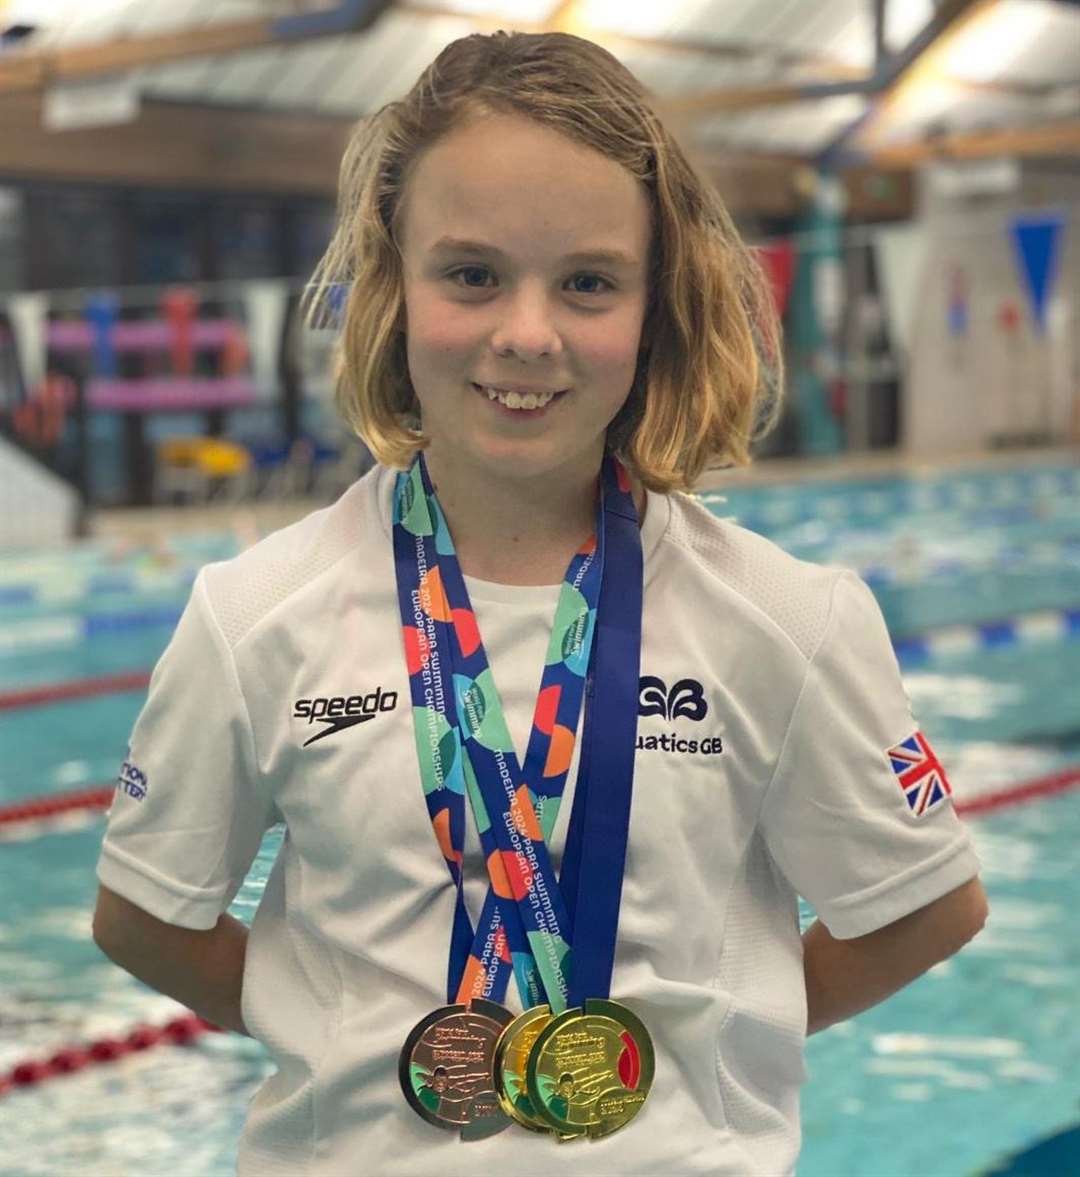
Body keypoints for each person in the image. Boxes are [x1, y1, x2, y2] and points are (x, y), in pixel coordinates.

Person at [91, 29, 988, 1177]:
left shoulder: (785, 616)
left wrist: (711, 1041)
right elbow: (144, 916)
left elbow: (925, 905)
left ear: (656, 307)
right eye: (471, 274)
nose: (527, 333)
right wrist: (327, 1028)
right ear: (390, 285)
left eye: (588, 282)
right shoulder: (257, 612)